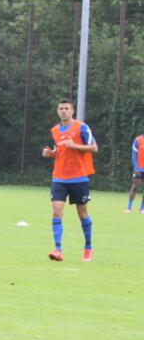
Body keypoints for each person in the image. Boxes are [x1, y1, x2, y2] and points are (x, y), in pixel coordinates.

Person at [42, 99, 97, 262]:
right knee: (57, 210)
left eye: (66, 108)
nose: (63, 111)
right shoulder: (54, 130)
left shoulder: (81, 127)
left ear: (72, 111)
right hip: (59, 177)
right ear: (57, 111)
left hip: (79, 177)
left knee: (82, 213)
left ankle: (88, 247)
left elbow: (94, 148)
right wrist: (50, 153)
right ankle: (58, 249)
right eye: (61, 108)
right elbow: (59, 150)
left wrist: (75, 146)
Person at [126, 133, 144, 213]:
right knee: (134, 187)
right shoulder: (138, 140)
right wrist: (136, 167)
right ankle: (129, 208)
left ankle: (142, 209)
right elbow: (134, 154)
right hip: (139, 169)